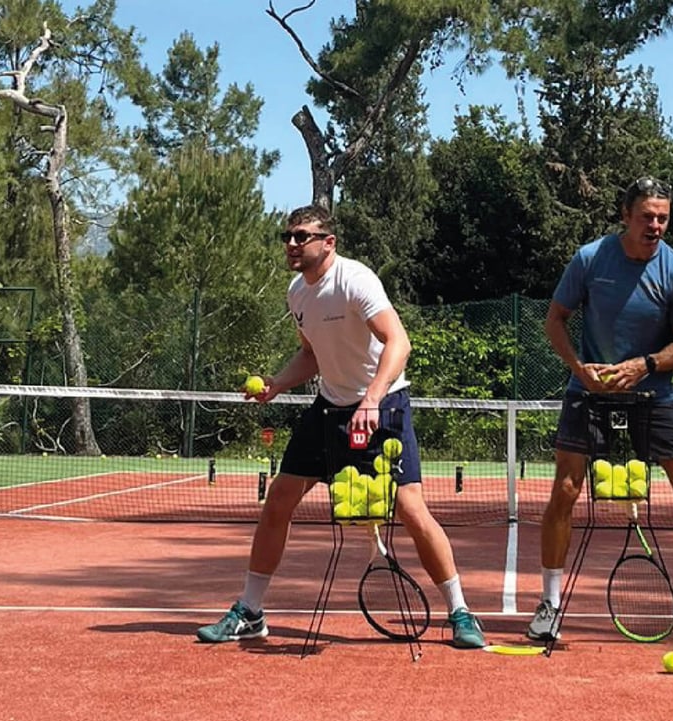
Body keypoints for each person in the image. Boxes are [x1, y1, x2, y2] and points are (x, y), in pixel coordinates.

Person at [197, 204, 486, 649]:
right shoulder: (297, 292)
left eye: (301, 236)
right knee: (278, 502)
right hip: (328, 410)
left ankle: (460, 612)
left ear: (327, 242)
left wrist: (371, 399)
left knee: (410, 509)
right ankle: (250, 611)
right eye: (287, 237)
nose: (292, 244)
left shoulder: (356, 280)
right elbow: (311, 355)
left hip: (383, 405)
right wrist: (276, 383)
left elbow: (399, 341)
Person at [527, 176, 673, 643]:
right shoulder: (590, 259)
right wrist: (580, 368)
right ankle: (550, 606)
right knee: (567, 488)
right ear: (625, 216)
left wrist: (646, 364)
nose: (655, 225)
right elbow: (555, 319)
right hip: (588, 391)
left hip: (655, 394)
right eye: (647, 216)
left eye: (663, 217)